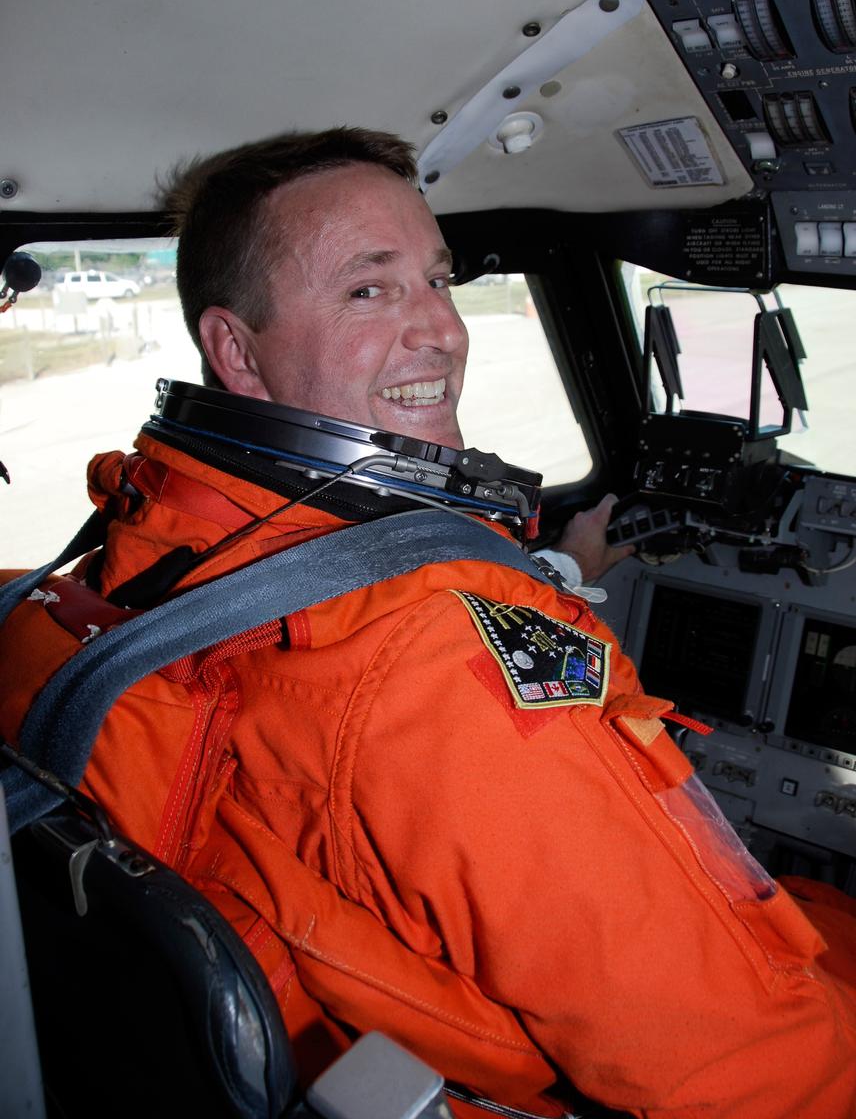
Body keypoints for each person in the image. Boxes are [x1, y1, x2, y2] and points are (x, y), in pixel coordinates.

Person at [1, 128, 855, 1119]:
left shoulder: (142, 549)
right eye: (369, 290)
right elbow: (748, 1071)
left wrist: (559, 574)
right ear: (236, 350)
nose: (442, 330)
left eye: (439, 280)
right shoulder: (446, 665)